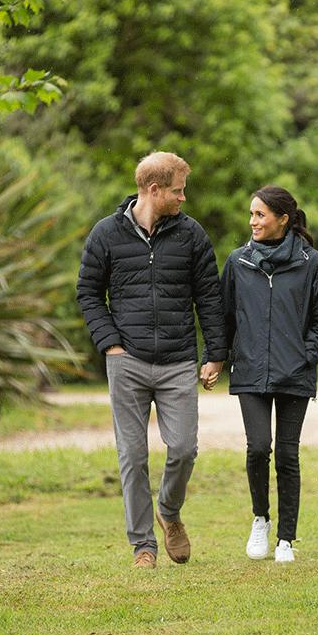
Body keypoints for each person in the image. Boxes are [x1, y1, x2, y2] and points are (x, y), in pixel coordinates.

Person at [77, 152, 226, 569]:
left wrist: (215, 354)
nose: (184, 198)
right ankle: (143, 545)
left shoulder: (192, 235)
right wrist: (109, 343)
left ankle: (169, 511)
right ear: (154, 190)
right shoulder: (106, 234)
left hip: (178, 360)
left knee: (182, 448)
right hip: (127, 359)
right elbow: (88, 292)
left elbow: (209, 297)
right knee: (132, 455)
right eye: (178, 191)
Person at [205, 185, 318, 563]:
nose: (252, 222)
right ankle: (260, 519)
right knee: (258, 447)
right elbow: (222, 318)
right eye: (251, 214)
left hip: (294, 373)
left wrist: (304, 356)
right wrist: (214, 358)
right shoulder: (238, 262)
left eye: (260, 215)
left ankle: (286, 539)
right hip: (249, 370)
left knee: (286, 454)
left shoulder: (313, 263)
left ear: (283, 219)